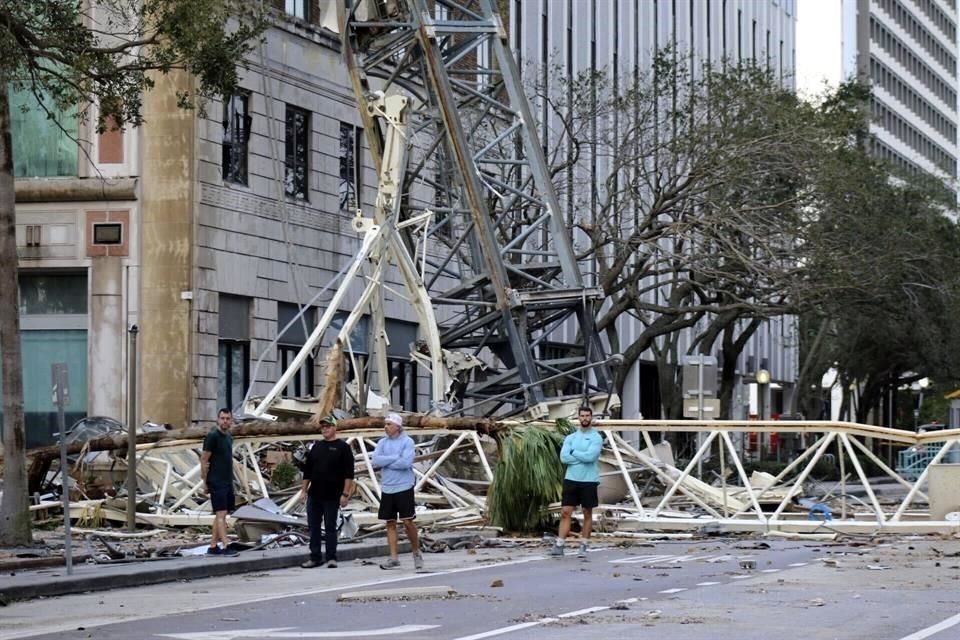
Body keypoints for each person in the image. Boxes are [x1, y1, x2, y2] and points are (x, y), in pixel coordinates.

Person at [299, 415, 355, 569]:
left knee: (330, 527)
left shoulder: (343, 448)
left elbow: (349, 474)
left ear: (334, 428)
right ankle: (315, 557)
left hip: (332, 495)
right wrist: (304, 491)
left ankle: (331, 557)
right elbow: (307, 471)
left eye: (328, 426)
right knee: (314, 527)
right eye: (323, 427)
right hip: (315, 494)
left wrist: (345, 494)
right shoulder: (316, 447)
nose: (325, 429)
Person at [372, 412, 423, 570]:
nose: (385, 427)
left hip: (404, 485)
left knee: (407, 521)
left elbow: (405, 463)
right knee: (390, 522)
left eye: (388, 424)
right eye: (385, 424)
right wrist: (394, 457)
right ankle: (393, 557)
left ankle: (416, 552)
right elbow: (376, 460)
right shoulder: (382, 443)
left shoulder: (407, 442)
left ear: (397, 426)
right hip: (387, 486)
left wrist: (387, 461)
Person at [551, 405, 603, 559]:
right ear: (578, 418)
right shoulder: (571, 438)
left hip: (589, 480)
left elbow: (590, 458)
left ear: (591, 418)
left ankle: (584, 544)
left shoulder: (596, 437)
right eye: (582, 416)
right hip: (571, 479)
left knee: (587, 513)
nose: (585, 418)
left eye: (587, 416)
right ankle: (560, 544)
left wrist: (574, 452)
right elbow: (564, 458)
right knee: (566, 512)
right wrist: (580, 455)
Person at [201, 408, 237, 556]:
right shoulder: (212, 436)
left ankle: (213, 546)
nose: (225, 421)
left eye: (227, 418)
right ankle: (226, 545)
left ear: (231, 420)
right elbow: (204, 460)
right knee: (221, 514)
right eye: (222, 418)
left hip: (227, 480)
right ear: (217, 420)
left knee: (221, 514)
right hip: (216, 481)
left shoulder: (228, 437)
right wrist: (205, 481)